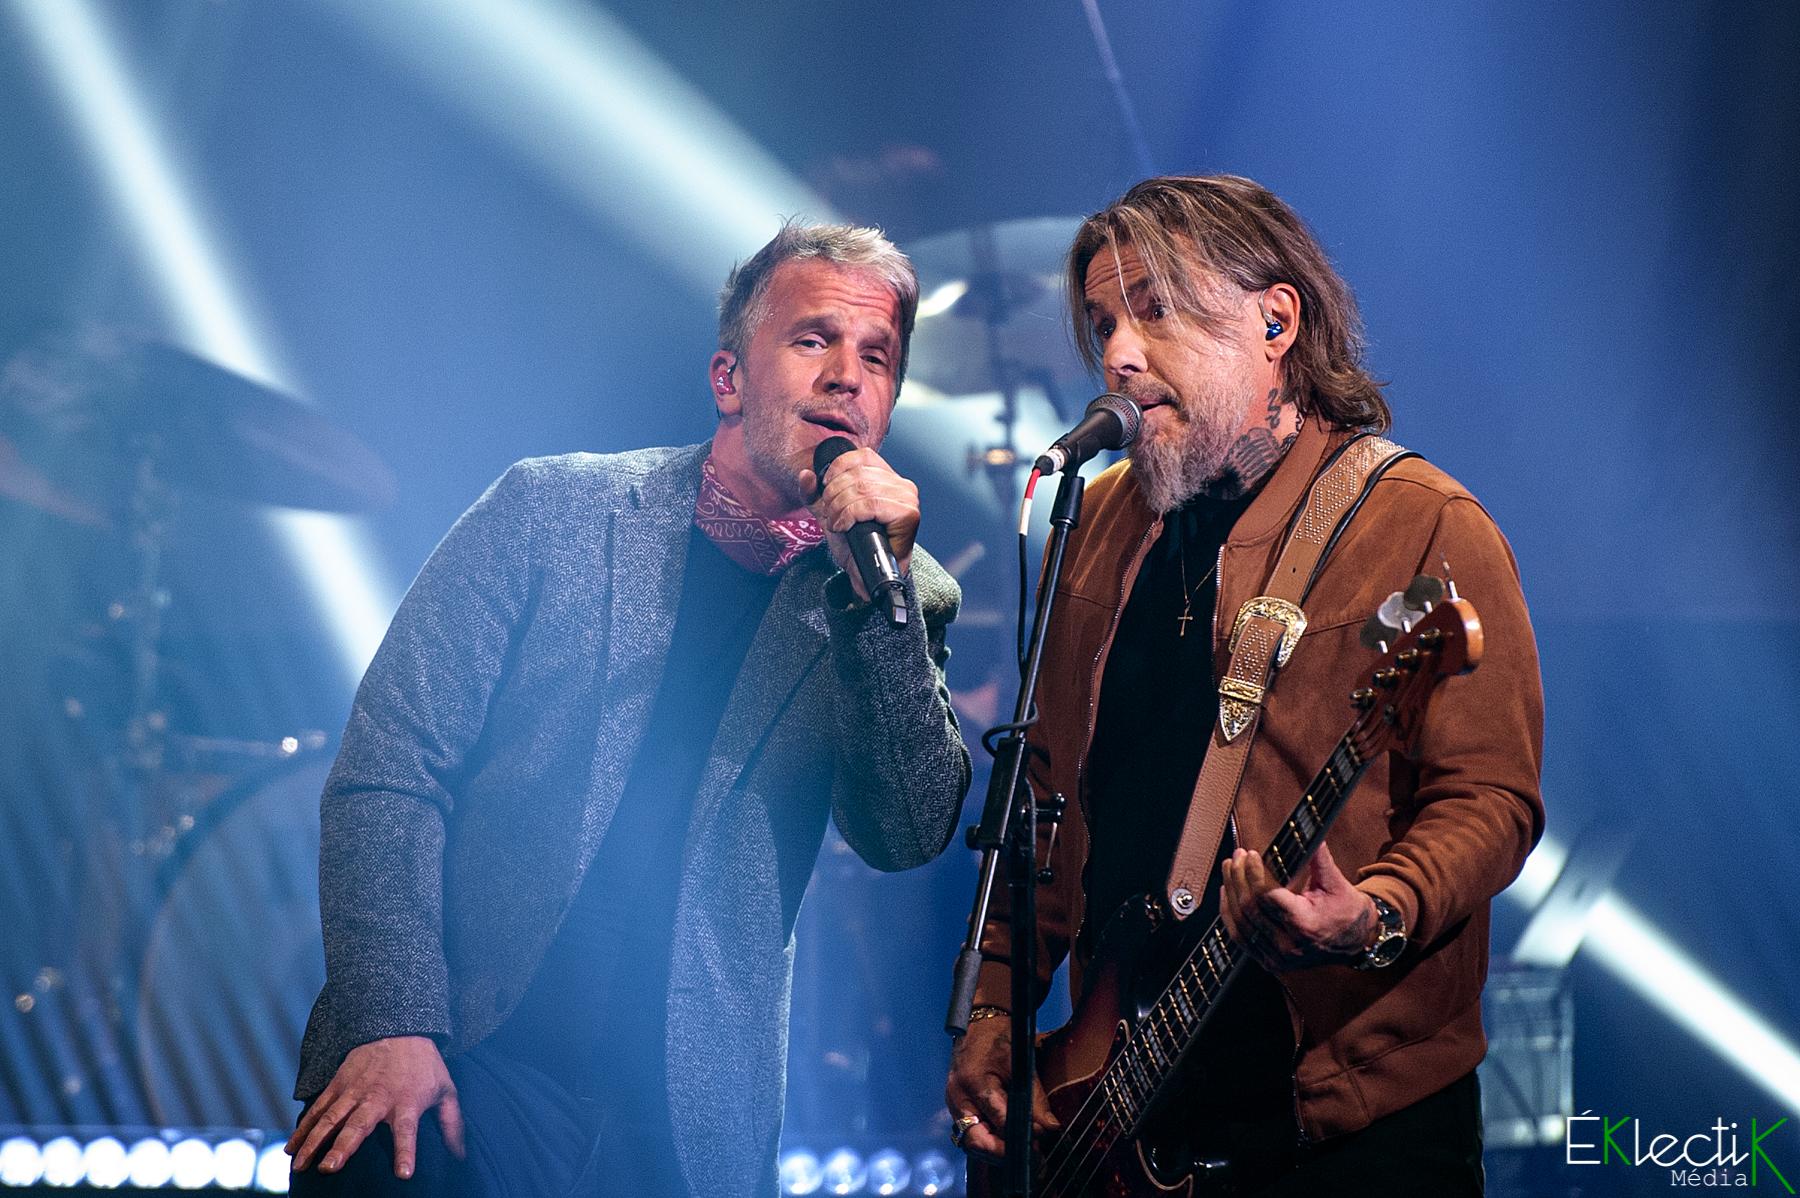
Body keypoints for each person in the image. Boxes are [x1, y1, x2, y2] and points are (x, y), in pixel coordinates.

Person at [288, 221, 971, 1197]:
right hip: (468, 1054)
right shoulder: (549, 512)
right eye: (813, 339)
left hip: (680, 1120)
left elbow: (904, 833)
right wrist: (392, 1021)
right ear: (729, 378)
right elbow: (390, 770)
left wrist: (878, 599)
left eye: (878, 357)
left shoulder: (897, 596)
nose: (846, 377)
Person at [946, 175, 1544, 1195]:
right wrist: (997, 1007)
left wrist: (1376, 912)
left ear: (1277, 321)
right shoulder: (1091, 529)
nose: (1119, 353)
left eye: (1156, 311)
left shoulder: (1422, 524)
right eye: (1103, 323)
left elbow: (1491, 800)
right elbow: (1038, 806)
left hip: (1348, 1129)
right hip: (1124, 1107)